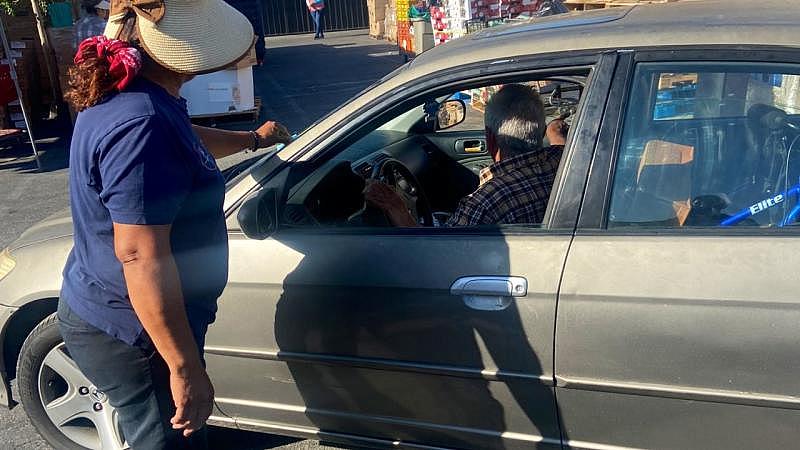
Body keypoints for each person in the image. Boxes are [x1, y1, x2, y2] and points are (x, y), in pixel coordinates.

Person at [58, 0, 291, 448]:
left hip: (117, 315)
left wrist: (251, 139)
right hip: (137, 334)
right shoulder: (142, 122)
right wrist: (184, 368)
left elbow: (187, 141)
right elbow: (140, 255)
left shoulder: (136, 98)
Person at [365, 84, 568, 227]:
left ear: (490, 138)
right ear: (541, 133)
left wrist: (398, 208)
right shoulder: (564, 163)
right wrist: (556, 133)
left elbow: (438, 256)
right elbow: (559, 148)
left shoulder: (486, 202)